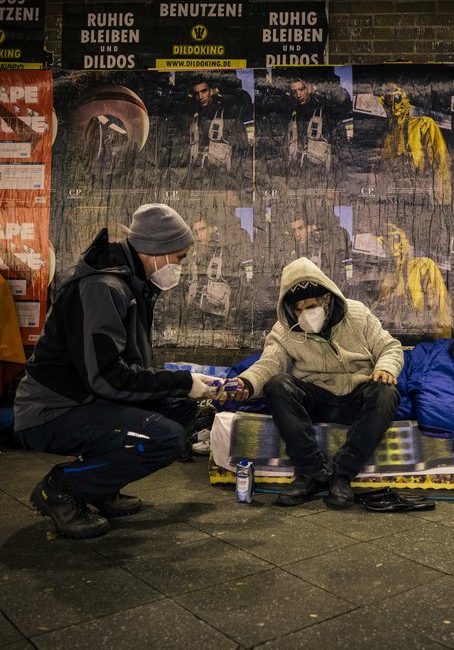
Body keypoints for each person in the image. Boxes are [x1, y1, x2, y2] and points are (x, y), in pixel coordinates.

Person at [13, 204, 219, 539]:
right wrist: (183, 381)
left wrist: (183, 388)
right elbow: (107, 377)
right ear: (156, 251)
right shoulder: (102, 288)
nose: (180, 266)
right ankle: (63, 488)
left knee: (180, 407)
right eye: (179, 257)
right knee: (163, 438)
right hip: (53, 410)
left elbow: (124, 369)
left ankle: (100, 486)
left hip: (87, 399)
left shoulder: (130, 283)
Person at [225, 257, 403, 509]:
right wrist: (245, 382)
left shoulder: (358, 314)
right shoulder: (283, 330)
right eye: (299, 308)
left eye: (311, 305)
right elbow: (269, 364)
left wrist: (385, 368)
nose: (305, 313)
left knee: (387, 392)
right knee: (277, 385)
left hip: (356, 394)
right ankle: (311, 472)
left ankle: (342, 475)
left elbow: (390, 347)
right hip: (315, 397)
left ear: (326, 299)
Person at [376, 82, 452, 205]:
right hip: (393, 201)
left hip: (421, 198)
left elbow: (441, 161)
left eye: (396, 97)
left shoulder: (424, 124)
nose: (392, 102)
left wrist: (441, 201)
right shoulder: (386, 137)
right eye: (389, 98)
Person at [377, 222, 452, 338]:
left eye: (395, 237)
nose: (387, 242)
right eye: (383, 238)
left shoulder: (424, 267)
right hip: (390, 342)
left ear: (406, 240)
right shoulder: (382, 275)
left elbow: (441, 313)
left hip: (422, 343)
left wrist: (440, 346)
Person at [286, 74, 351, 176]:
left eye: (301, 90)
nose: (298, 95)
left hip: (320, 173)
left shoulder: (324, 110)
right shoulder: (293, 114)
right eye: (294, 92)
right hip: (297, 173)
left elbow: (340, 141)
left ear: (309, 89)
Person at [189, 76, 249, 172]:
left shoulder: (224, 111)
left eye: (203, 91)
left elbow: (242, 143)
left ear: (211, 91)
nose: (200, 97)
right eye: (197, 93)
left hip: (218, 172)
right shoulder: (194, 113)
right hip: (197, 171)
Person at [287, 207, 352, 286]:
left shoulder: (324, 246)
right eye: (294, 230)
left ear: (310, 227)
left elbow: (338, 272)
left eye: (300, 228)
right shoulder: (293, 252)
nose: (297, 234)